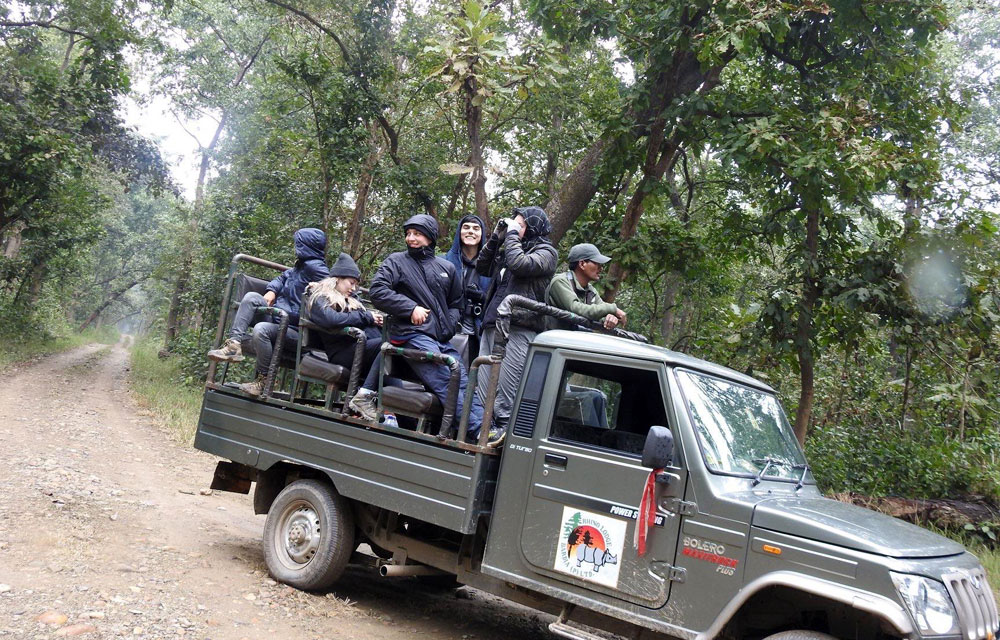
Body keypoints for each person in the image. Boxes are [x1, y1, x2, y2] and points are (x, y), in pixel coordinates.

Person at [348, 214, 484, 437]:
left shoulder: (446, 267)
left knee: (461, 378)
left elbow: (456, 303)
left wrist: (448, 327)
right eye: (409, 234)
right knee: (444, 379)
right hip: (410, 334)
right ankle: (477, 430)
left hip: (439, 337)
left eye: (417, 234)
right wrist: (410, 308)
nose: (411, 238)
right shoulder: (396, 261)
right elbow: (378, 290)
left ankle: (486, 429)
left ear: (430, 237)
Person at [208, 227, 330, 396]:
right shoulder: (300, 266)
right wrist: (272, 290)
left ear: (305, 245)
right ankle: (234, 344)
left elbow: (330, 290)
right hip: (279, 318)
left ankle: (263, 380)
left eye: (297, 244)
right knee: (251, 297)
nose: (294, 247)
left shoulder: (317, 269)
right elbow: (283, 277)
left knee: (261, 330)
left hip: (295, 329)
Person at [475, 206, 558, 441]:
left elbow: (520, 264)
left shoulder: (547, 252)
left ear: (532, 227)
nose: (514, 226)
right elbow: (483, 267)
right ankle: (484, 430)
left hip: (519, 327)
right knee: (484, 385)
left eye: (520, 224)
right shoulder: (512, 247)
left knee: (506, 389)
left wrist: (511, 236)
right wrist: (496, 237)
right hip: (493, 323)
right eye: (514, 222)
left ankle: (504, 433)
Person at [304, 253, 384, 374]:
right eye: (351, 283)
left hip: (359, 347)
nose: (353, 288)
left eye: (356, 285)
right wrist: (367, 317)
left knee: (392, 345)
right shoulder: (320, 297)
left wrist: (377, 321)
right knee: (384, 346)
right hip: (341, 352)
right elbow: (331, 319)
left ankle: (376, 390)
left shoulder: (352, 299)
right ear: (337, 279)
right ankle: (369, 389)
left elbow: (361, 316)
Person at [545, 243, 627, 330]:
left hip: (573, 339)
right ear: (582, 264)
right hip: (550, 339)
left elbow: (600, 312)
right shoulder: (560, 281)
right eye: (597, 263)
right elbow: (576, 308)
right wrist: (613, 309)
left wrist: (609, 318)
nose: (601, 268)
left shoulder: (591, 290)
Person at [443, 214, 490, 351]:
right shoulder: (444, 262)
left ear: (482, 234)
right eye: (466, 227)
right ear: (459, 232)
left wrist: (482, 297)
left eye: (476, 228)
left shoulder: (492, 265)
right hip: (450, 328)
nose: (471, 231)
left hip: (479, 330)